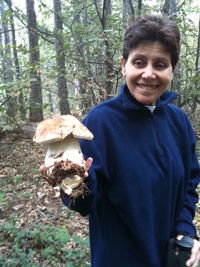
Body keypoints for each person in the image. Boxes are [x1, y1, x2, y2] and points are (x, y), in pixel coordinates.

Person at [49, 15, 200, 266]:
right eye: (139, 62)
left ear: (172, 69)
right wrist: (70, 182)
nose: (148, 74)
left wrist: (186, 230)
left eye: (160, 64)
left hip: (171, 258)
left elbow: (188, 186)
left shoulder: (179, 122)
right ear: (123, 65)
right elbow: (87, 201)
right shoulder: (101, 122)